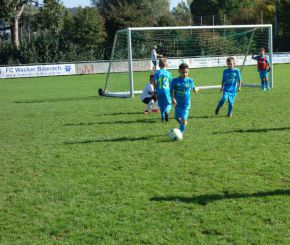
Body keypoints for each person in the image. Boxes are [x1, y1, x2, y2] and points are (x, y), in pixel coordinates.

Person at [170, 63, 198, 135]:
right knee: (176, 117)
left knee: (183, 118)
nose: (185, 74)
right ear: (179, 71)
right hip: (177, 103)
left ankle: (180, 133)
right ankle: (183, 124)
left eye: (186, 72)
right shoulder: (175, 81)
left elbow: (193, 87)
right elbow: (171, 90)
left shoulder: (189, 80)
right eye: (183, 72)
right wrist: (172, 98)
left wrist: (195, 89)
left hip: (186, 104)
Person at [154, 58, 172, 122]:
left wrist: (154, 90)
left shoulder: (157, 73)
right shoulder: (169, 73)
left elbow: (155, 82)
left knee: (161, 105)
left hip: (159, 91)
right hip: (166, 91)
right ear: (166, 65)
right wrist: (171, 91)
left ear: (159, 65)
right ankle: (167, 112)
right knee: (169, 104)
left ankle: (163, 118)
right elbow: (170, 83)